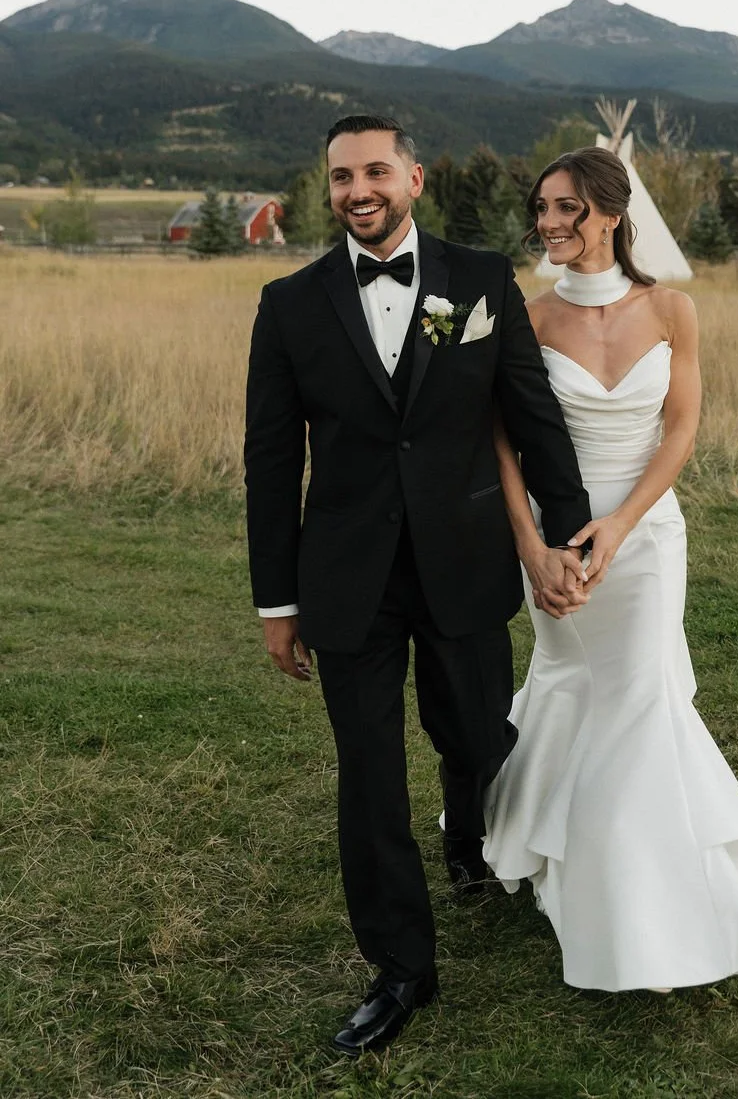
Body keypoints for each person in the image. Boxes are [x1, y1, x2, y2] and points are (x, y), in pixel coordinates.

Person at [244, 115, 591, 1055]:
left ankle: (468, 829)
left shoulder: (480, 283)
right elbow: (271, 463)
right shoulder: (288, 305)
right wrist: (277, 603)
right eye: (341, 176)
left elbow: (533, 411)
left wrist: (569, 536)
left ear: (415, 179)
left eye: (376, 171)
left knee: (475, 734)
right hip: (346, 579)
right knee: (369, 779)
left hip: (466, 562)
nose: (358, 189)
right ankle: (402, 966)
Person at [484, 147, 738, 992]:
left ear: (614, 213)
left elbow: (681, 429)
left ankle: (642, 904)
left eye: (568, 208)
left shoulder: (673, 311)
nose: (549, 222)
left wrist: (621, 524)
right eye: (542, 206)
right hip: (556, 540)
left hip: (648, 536)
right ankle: (554, 845)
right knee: (568, 679)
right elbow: (500, 441)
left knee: (643, 697)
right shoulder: (530, 316)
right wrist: (532, 545)